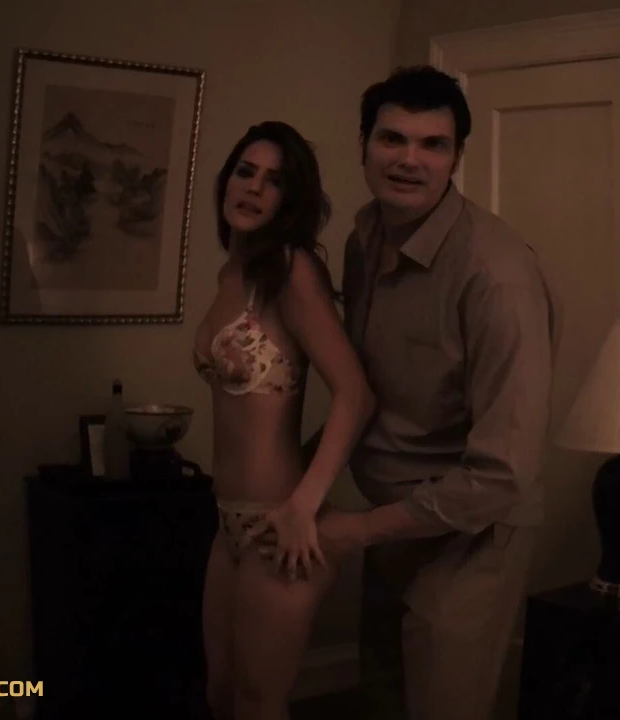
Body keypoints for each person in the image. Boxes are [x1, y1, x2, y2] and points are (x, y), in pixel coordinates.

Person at [310, 65, 558, 720]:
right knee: (381, 697)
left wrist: (355, 531)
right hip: (393, 516)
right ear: (363, 145)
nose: (409, 160)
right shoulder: (363, 239)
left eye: (433, 144)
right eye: (392, 138)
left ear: (456, 157)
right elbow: (364, 391)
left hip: (473, 533)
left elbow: (502, 472)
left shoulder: (495, 274)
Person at [195, 120, 376, 720]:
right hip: (227, 522)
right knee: (221, 694)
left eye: (273, 181)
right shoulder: (231, 274)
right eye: (245, 171)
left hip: (280, 523)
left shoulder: (291, 270)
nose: (253, 187)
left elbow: (356, 394)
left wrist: (304, 505)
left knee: (258, 703)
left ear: (289, 200)